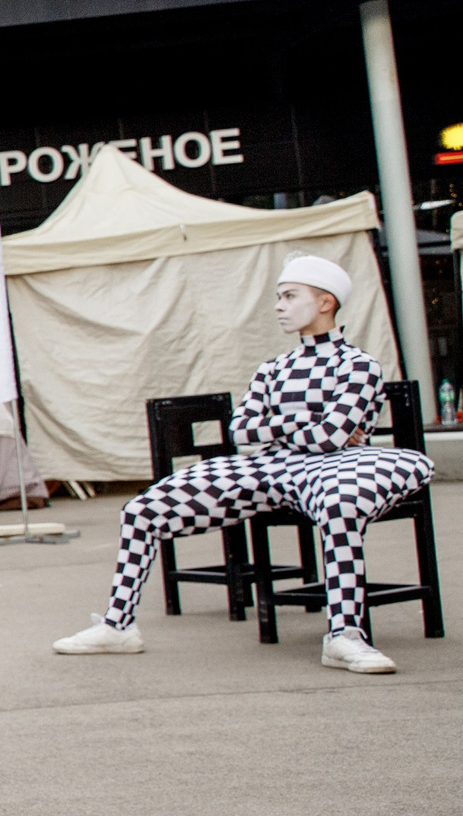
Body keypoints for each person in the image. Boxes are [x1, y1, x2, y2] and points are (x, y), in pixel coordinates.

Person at [54, 255, 435, 672]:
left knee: (339, 507)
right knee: (141, 510)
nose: (279, 306)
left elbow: (328, 441)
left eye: (290, 296)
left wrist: (282, 427)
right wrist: (307, 422)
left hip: (334, 468)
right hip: (269, 468)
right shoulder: (273, 368)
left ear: (325, 302)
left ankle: (344, 634)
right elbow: (241, 431)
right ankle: (117, 625)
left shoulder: (358, 365)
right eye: (279, 297)